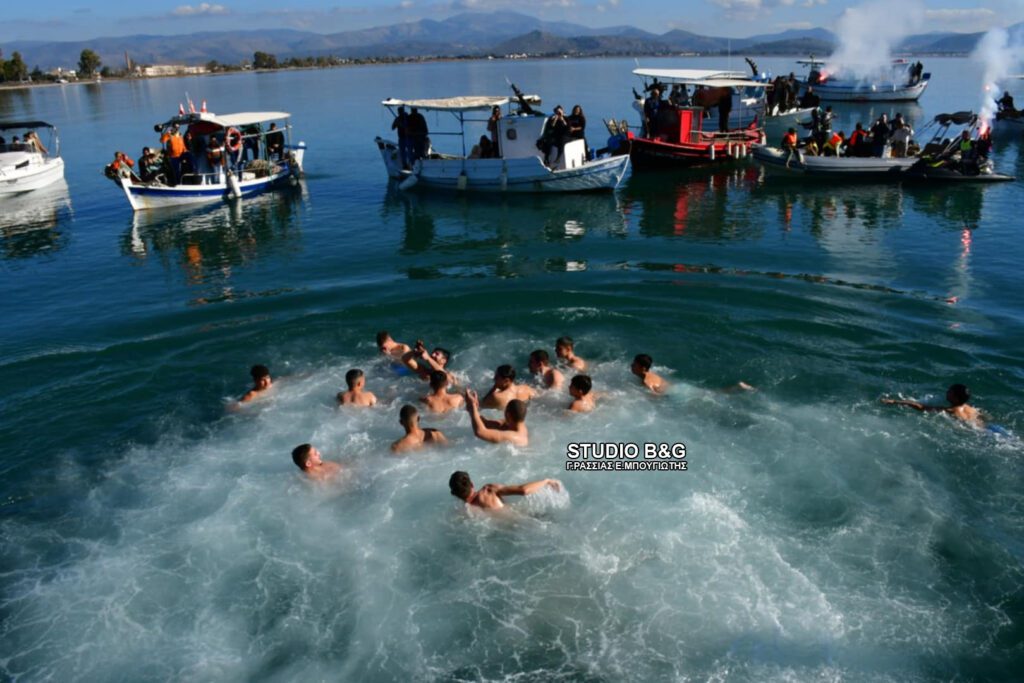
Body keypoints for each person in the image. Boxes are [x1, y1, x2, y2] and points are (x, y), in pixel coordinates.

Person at [881, 384, 984, 428]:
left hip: (971, 431)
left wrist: (895, 402)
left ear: (956, 398)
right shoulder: (971, 409)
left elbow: (921, 407)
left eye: (950, 392)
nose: (947, 392)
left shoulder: (951, 410)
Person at [448, 471, 561, 510]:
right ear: (472, 484)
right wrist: (547, 481)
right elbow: (524, 490)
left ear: (453, 494)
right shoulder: (488, 490)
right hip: (522, 523)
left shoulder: (463, 513)